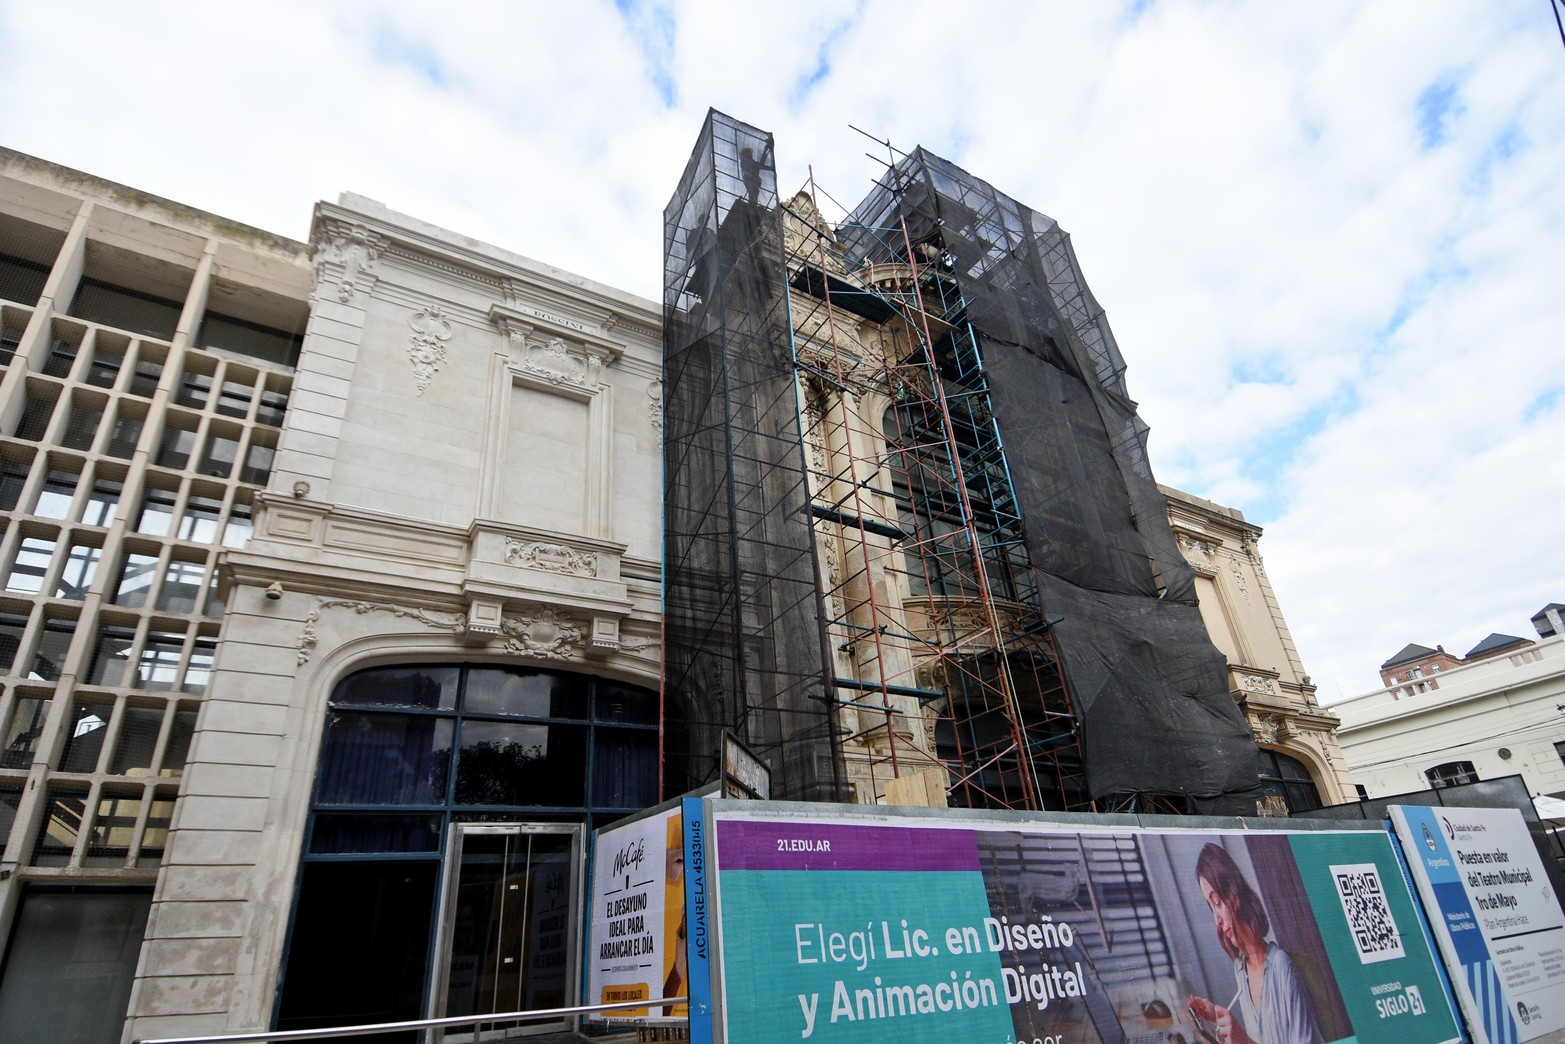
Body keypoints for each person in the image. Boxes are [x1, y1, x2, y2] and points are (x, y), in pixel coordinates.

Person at [1188, 843, 1323, 1044]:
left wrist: (1243, 1040)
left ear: (1233, 894)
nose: (1217, 919)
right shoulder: (1240, 969)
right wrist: (1216, 1016)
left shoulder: (1280, 966)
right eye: (1211, 907)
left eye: (1217, 902)